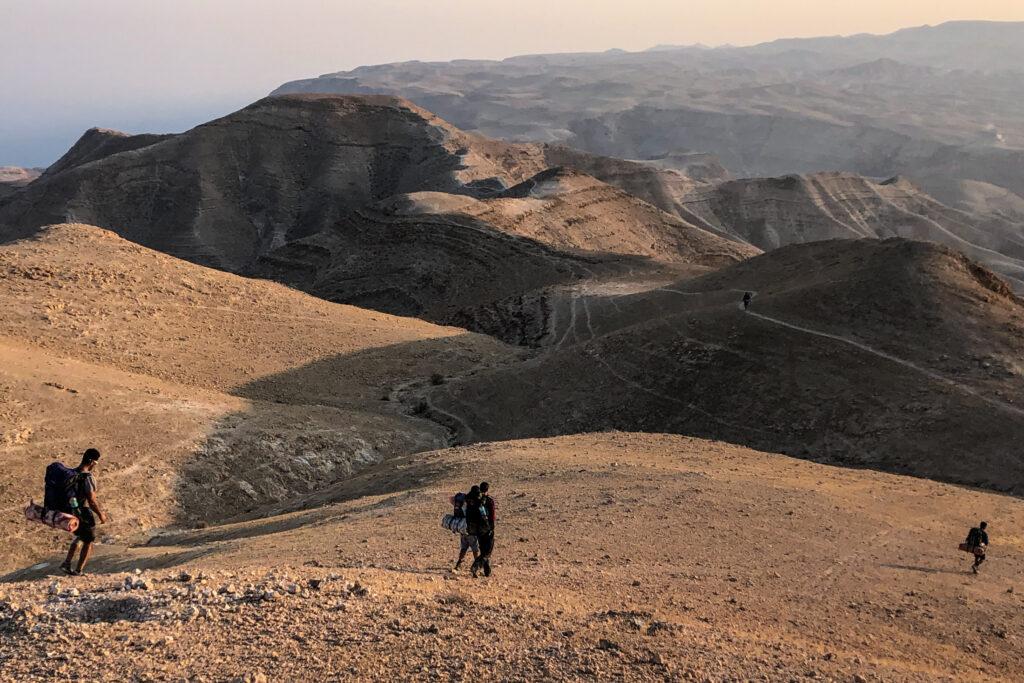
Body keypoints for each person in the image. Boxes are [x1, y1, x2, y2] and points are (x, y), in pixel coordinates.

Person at [60, 449, 107, 576]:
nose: (94, 466)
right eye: (95, 463)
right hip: (84, 512)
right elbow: (91, 501)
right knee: (89, 540)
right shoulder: (88, 477)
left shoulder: (72, 474)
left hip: (71, 512)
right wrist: (100, 514)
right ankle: (79, 570)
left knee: (80, 536)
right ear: (91, 461)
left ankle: (67, 563)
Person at [464, 486, 493, 578]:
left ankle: (487, 571)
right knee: (487, 552)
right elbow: (492, 516)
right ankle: (475, 567)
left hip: (474, 529)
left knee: (483, 549)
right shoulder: (486, 500)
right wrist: (491, 528)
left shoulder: (469, 501)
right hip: (486, 528)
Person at [451, 492, 479, 571]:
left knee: (464, 547)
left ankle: (459, 563)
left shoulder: (457, 507)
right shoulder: (466, 507)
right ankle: (476, 565)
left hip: (462, 530)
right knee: (475, 548)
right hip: (470, 530)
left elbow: (450, 499)